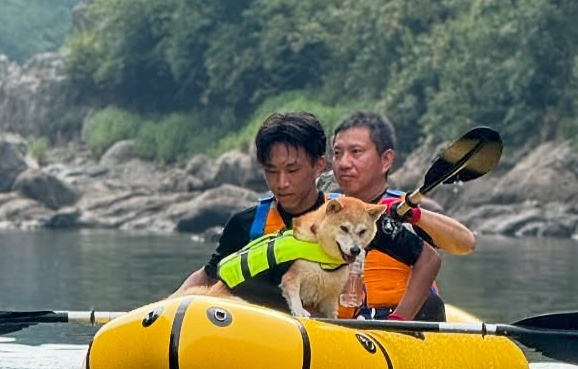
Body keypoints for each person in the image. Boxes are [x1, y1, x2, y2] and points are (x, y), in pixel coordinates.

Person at [171, 110, 441, 321]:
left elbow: (428, 259)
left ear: (318, 165)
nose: (281, 183)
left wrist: (397, 320)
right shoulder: (246, 224)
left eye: (292, 170)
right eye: (271, 171)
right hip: (271, 337)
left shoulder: (353, 218)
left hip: (344, 336)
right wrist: (167, 309)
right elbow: (209, 276)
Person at [329, 110, 477, 322]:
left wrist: (415, 215)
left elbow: (466, 243)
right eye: (337, 153)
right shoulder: (327, 210)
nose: (343, 163)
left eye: (356, 152)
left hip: (404, 324)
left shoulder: (412, 209)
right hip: (347, 323)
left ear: (386, 160)